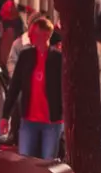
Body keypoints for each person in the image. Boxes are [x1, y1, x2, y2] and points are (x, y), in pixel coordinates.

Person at [4, 15, 65, 160]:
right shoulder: (26, 56)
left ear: (45, 35)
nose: (30, 37)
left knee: (47, 163)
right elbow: (15, 86)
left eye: (34, 33)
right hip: (29, 119)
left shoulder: (58, 59)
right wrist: (5, 115)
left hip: (52, 121)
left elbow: (64, 90)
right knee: (26, 161)